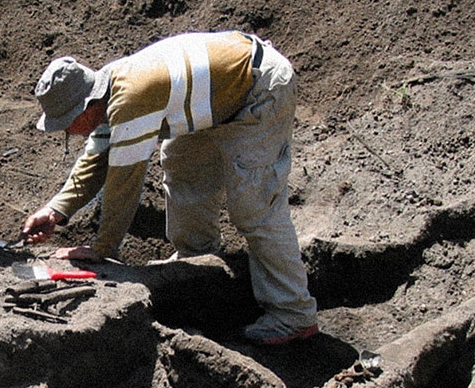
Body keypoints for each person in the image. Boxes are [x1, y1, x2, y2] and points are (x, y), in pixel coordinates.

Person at [21, 32, 319, 345]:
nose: (67, 130)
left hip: (258, 90)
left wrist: (103, 249)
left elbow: (124, 182)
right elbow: (96, 159)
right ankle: (197, 260)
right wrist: (54, 211)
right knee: (182, 162)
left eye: (66, 122)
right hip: (218, 96)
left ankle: (293, 314)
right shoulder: (106, 91)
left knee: (255, 206)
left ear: (85, 106)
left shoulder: (130, 98)